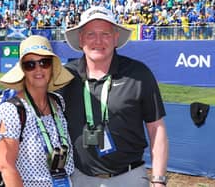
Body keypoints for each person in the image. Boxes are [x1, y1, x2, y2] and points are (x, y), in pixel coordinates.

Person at [61, 6, 168, 187]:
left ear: (116, 38)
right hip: (79, 178)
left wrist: (159, 180)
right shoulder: (65, 77)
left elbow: (156, 128)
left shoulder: (138, 74)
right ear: (80, 39)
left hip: (129, 177)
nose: (98, 41)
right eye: (90, 34)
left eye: (105, 34)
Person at [0, 35, 75, 187]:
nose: (38, 69)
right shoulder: (12, 110)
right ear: (23, 70)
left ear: (52, 67)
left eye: (44, 62)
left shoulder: (58, 102)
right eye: (30, 65)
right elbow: (6, 166)